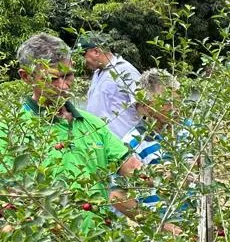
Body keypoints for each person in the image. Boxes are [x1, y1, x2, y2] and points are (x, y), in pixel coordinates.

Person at [1, 33, 141, 223]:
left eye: (68, 75)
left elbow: (133, 169)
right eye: (52, 79)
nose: (63, 86)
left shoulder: (93, 124)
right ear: (26, 77)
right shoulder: (9, 132)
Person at [120, 69, 194, 231]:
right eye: (167, 102)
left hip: (197, 225)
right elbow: (119, 197)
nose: (175, 107)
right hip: (161, 237)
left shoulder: (189, 130)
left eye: (177, 99)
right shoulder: (131, 144)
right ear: (144, 107)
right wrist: (163, 227)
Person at [78, 33, 142, 139]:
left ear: (96, 51)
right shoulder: (97, 72)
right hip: (102, 141)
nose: (83, 60)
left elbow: (143, 104)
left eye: (83, 54)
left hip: (123, 142)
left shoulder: (124, 70)